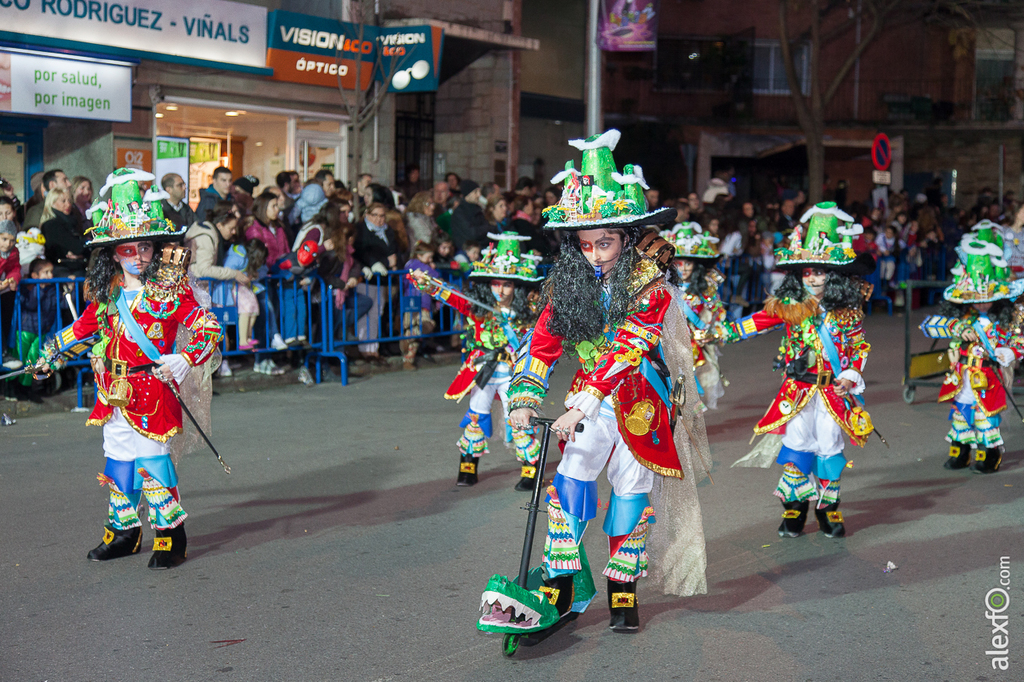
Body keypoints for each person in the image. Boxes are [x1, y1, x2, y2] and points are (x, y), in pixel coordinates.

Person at [493, 129, 711, 637]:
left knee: (630, 491)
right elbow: (542, 340)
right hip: (589, 407)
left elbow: (627, 348)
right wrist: (525, 394)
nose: (594, 253)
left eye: (606, 241)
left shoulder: (652, 287)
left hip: (640, 403)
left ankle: (622, 595)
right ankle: (561, 588)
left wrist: (580, 403)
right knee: (570, 480)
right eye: (586, 243)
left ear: (627, 237)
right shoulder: (570, 283)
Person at [38, 167, 222, 569]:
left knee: (153, 462)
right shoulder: (108, 292)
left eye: (145, 247)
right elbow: (84, 327)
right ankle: (124, 531)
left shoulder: (171, 289)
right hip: (113, 388)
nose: (138, 256)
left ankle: (171, 536)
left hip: (153, 390)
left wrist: (184, 358)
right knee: (118, 459)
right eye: (127, 249)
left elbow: (208, 327)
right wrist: (49, 354)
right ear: (112, 253)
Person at [719, 202, 874, 540]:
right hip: (797, 390)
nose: (815, 276)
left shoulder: (847, 314)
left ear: (834, 275)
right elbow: (756, 322)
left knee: (830, 446)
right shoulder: (790, 309)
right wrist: (719, 333)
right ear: (798, 274)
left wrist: (851, 375)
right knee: (797, 445)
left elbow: (860, 347)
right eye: (808, 271)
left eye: (821, 271)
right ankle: (794, 508)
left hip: (833, 392)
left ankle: (828, 509)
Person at [411, 232, 545, 489]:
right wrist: (426, 283)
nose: (501, 290)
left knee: (519, 418)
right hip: (484, 370)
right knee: (476, 416)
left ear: (517, 287)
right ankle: (467, 465)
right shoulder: (477, 307)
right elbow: (450, 295)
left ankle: (531, 469)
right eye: (495, 284)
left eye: (507, 285)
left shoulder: (528, 313)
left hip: (514, 373)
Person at [921, 222, 1024, 474]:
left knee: (986, 417)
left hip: (989, 376)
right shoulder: (962, 318)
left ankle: (989, 455)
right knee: (960, 414)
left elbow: (1019, 341)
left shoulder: (1005, 320)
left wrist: (1009, 353)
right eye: (976, 301)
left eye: (987, 301)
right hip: (962, 374)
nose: (981, 305)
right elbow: (930, 326)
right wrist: (957, 328)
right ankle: (961, 452)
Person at [660, 222, 727, 409]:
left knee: (693, 380)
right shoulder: (662, 287)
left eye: (688, 263)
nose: (684, 268)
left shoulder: (706, 288)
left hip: (695, 344)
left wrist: (712, 333)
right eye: (679, 263)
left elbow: (717, 313)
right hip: (669, 341)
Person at [352, 202, 396, 364]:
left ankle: (373, 348)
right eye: (375, 215)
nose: (379, 219)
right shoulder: (361, 231)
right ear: (367, 215)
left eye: (382, 215)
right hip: (367, 277)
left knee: (377, 312)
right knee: (366, 313)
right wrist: (377, 262)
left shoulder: (388, 231)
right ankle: (365, 349)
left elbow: (392, 252)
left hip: (382, 278)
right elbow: (361, 251)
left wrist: (390, 261)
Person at [318, 223, 373, 348]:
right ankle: (326, 357)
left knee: (365, 302)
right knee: (327, 330)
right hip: (330, 295)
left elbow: (355, 265)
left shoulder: (348, 255)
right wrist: (341, 284)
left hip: (343, 294)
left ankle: (343, 327)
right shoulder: (331, 255)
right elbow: (323, 274)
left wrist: (353, 276)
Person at [401, 241, 441, 370]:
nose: (430, 260)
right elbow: (434, 276)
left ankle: (408, 342)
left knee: (423, 325)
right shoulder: (415, 265)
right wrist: (433, 268)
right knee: (411, 324)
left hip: (422, 302)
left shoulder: (414, 264)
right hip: (414, 301)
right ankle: (407, 358)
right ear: (419, 255)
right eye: (428, 257)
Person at [41, 188, 87, 276]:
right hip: (62, 270)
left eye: (69, 201)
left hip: (74, 268)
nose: (68, 204)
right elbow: (76, 247)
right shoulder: (51, 225)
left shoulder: (73, 222)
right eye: (63, 201)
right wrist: (83, 248)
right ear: (52, 203)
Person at [0, 220, 21, 366]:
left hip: (3, 288)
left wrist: (12, 279)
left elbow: (15, 268)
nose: (8, 244)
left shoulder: (13, 252)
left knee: (6, 316)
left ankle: (4, 352)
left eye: (12, 240)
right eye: (4, 239)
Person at [450, 180, 488, 248]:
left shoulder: (477, 209)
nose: (479, 195)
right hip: (466, 250)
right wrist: (486, 228)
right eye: (475, 192)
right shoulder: (459, 212)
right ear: (468, 194)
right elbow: (472, 233)